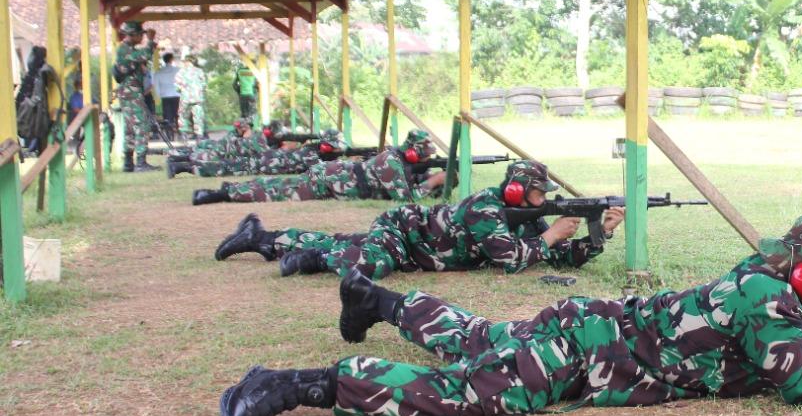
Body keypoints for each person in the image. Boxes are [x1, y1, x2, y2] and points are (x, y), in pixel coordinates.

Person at [218, 216, 802, 416]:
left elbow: (800, 352)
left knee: (481, 339)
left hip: (586, 330)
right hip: (584, 355)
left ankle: (374, 299)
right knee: (471, 391)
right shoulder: (767, 299)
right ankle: (290, 386)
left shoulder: (765, 288)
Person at [213, 159, 622, 278]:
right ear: (516, 190)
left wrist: (598, 234)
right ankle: (311, 261)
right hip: (405, 234)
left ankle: (262, 238)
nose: (541, 202)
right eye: (536, 194)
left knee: (340, 242)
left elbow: (556, 256)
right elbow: (512, 260)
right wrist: (550, 234)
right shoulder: (486, 207)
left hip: (420, 251)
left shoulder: (524, 217)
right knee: (373, 263)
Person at [192, 129, 446, 205]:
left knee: (276, 186)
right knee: (274, 192)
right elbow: (407, 200)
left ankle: (226, 190)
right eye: (425, 153)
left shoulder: (396, 160)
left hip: (331, 177)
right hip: (329, 180)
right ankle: (220, 193)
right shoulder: (391, 162)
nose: (426, 157)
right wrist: (435, 180)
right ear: (413, 152)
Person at [114, 21, 157, 172]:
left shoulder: (127, 49)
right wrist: (151, 41)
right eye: (140, 35)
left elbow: (143, 59)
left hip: (129, 91)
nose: (142, 38)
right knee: (142, 125)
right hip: (130, 92)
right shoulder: (125, 49)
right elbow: (145, 54)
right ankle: (140, 162)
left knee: (130, 127)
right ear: (132, 35)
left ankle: (128, 163)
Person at [175, 54, 207, 141]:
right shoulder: (200, 71)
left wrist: (184, 91)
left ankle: (184, 134)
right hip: (198, 98)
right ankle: (199, 136)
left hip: (185, 99)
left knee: (183, 116)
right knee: (198, 117)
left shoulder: (181, 72)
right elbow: (204, 85)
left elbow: (177, 87)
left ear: (187, 62)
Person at [155, 53, 180, 134]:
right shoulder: (178, 70)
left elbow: (156, 86)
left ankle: (169, 131)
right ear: (171, 60)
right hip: (176, 95)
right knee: (177, 114)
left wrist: (158, 96)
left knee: (167, 115)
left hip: (165, 96)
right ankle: (178, 130)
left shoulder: (158, 72)